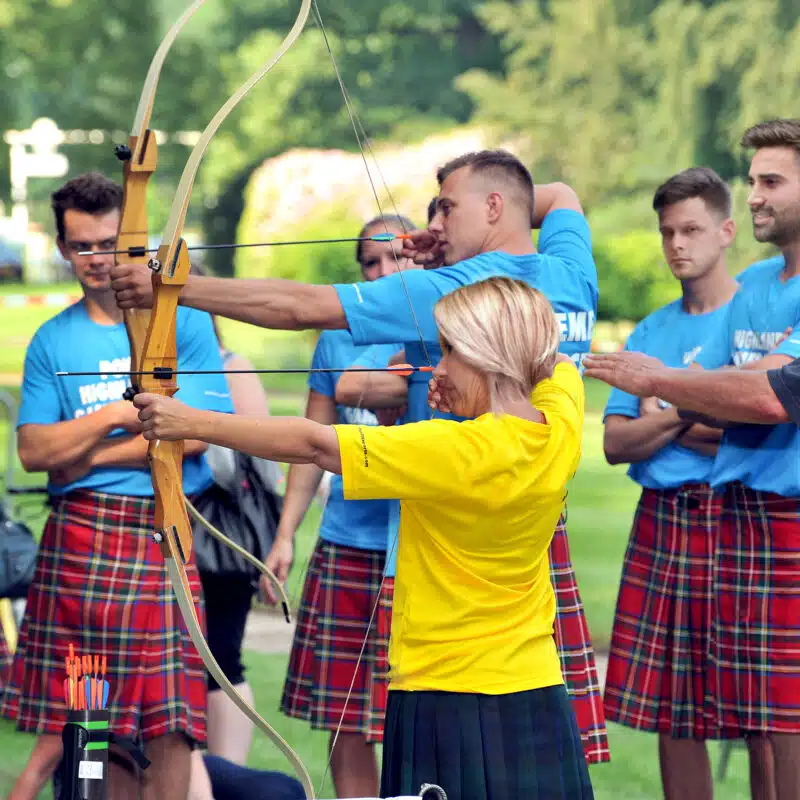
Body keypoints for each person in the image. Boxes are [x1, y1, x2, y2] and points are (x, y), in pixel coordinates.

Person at [111, 148, 610, 764]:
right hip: (532, 536)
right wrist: (459, 234)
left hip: (447, 572)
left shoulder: (447, 297)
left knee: (437, 747)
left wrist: (176, 288)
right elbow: (557, 193)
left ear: (492, 206)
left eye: (447, 208)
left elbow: (297, 311)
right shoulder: (569, 299)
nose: (435, 224)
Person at [133, 276, 595, 800]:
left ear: (491, 355)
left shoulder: (453, 448)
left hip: (445, 695)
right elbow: (553, 361)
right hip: (535, 689)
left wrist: (187, 420)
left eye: (449, 351)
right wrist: (480, 389)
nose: (437, 369)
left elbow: (315, 445)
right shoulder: (560, 423)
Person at [586, 118, 800, 798]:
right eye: (753, 181)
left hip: (769, 512)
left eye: (772, 181)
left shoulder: (756, 296)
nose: (677, 244)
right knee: (699, 710)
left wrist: (662, 391)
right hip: (713, 513)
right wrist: (701, 398)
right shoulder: (746, 290)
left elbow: (763, 400)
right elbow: (625, 439)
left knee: (776, 718)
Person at [1, 172, 232, 800]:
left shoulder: (182, 324)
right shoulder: (53, 339)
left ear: (135, 242)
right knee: (91, 720)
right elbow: (34, 451)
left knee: (170, 722)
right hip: (80, 544)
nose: (97, 259)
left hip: (160, 531)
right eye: (82, 246)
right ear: (61, 247)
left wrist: (86, 458)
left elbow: (198, 432)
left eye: (110, 244)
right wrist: (114, 414)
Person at [263, 215, 418, 798]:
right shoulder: (336, 338)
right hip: (346, 542)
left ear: (418, 258)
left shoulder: (438, 329)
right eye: (369, 262)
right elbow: (309, 446)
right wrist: (285, 534)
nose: (381, 271)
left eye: (394, 257)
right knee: (346, 719)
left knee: (418, 714)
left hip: (418, 548)